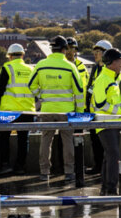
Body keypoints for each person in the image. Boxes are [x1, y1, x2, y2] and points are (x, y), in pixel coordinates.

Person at [29, 35, 84, 187]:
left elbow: (31, 85)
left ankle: (44, 172)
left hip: (47, 109)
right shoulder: (70, 66)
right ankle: (69, 172)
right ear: (64, 49)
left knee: (46, 141)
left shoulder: (41, 65)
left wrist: (42, 96)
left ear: (51, 49)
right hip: (66, 112)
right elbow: (79, 91)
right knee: (67, 142)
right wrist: (79, 112)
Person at [89, 48, 121, 195]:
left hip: (113, 123)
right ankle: (111, 189)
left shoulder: (112, 78)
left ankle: (105, 188)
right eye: (119, 61)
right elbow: (100, 104)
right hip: (105, 123)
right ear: (111, 63)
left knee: (109, 156)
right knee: (114, 155)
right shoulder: (103, 79)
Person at [0, 43, 36, 175]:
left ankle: (5, 165)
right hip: (27, 110)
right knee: (24, 139)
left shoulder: (7, 67)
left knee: (4, 137)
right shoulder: (31, 70)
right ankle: (20, 166)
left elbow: (0, 89)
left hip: (8, 110)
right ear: (23, 55)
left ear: (10, 56)